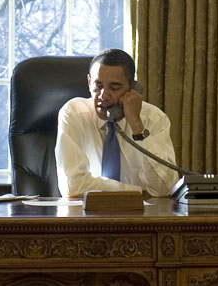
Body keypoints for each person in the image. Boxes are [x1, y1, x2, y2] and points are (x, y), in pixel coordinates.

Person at [55, 48, 179, 197]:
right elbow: (73, 185)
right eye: (98, 86)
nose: (103, 96)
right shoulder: (74, 114)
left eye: (114, 87)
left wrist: (137, 126)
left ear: (132, 88)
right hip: (87, 217)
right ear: (89, 82)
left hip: (141, 218)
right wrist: (136, 192)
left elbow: (165, 188)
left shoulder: (154, 119)